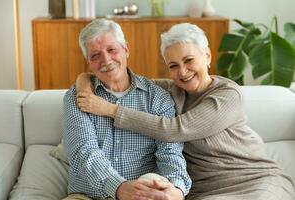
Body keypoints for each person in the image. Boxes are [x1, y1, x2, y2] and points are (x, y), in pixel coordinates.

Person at [75, 23, 295, 200]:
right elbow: (121, 77)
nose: (183, 72)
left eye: (189, 60)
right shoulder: (171, 90)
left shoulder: (228, 94)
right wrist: (84, 80)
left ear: (207, 56)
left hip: (253, 180)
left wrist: (110, 110)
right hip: (204, 191)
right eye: (173, 65)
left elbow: (177, 129)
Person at [63, 19, 191, 200]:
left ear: (126, 49)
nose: (106, 60)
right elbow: (84, 152)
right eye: (95, 55)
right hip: (87, 195)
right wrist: (119, 188)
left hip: (143, 194)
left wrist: (177, 189)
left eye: (112, 50)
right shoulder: (78, 97)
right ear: (89, 62)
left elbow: (170, 152)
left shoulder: (157, 98)